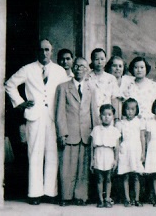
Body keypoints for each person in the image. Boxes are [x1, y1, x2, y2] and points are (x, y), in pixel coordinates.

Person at [5, 39, 69, 205]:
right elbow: (10, 84)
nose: (44, 53)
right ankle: (34, 193)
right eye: (41, 50)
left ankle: (50, 192)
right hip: (34, 116)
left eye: (47, 50)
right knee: (35, 154)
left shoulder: (60, 71)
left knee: (52, 154)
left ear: (52, 51)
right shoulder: (28, 69)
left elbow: (66, 92)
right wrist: (20, 103)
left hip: (53, 117)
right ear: (36, 52)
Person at [55, 56, 99, 206]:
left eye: (83, 66)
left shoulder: (91, 88)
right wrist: (62, 133)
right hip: (69, 133)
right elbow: (59, 112)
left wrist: (96, 133)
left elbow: (94, 112)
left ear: (87, 70)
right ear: (72, 68)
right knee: (67, 166)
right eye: (77, 66)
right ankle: (65, 197)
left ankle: (81, 196)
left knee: (83, 168)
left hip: (86, 134)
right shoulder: (63, 87)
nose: (80, 69)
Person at [116, 98, 145, 207]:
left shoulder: (139, 122)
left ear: (136, 110)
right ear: (124, 110)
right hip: (125, 150)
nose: (130, 112)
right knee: (126, 175)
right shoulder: (120, 123)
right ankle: (127, 199)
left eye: (133, 109)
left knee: (137, 175)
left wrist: (143, 153)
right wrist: (118, 154)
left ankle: (137, 199)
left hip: (136, 149)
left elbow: (142, 138)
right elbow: (118, 140)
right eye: (128, 109)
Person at [91, 104, 121, 208]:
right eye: (104, 115)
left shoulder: (115, 131)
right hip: (99, 154)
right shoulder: (96, 130)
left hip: (109, 155)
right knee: (99, 179)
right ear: (100, 117)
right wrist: (92, 160)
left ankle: (107, 198)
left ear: (113, 116)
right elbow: (92, 147)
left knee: (108, 179)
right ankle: (100, 200)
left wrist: (116, 160)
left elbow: (117, 148)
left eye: (109, 114)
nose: (106, 117)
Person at [88, 48, 121, 119]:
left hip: (107, 116)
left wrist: (116, 118)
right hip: (91, 114)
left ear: (105, 60)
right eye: (97, 59)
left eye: (102, 59)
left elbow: (114, 99)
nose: (99, 62)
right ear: (92, 60)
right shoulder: (87, 78)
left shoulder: (111, 78)